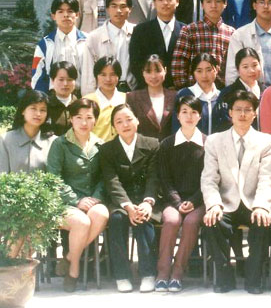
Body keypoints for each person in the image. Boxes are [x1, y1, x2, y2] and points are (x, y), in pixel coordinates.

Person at [202, 90, 271, 294]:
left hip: (254, 202)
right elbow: (209, 178)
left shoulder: (268, 142)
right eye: (238, 110)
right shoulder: (214, 141)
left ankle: (254, 280)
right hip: (226, 202)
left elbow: (268, 178)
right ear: (230, 113)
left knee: (263, 221)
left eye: (247, 110)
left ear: (255, 114)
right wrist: (214, 204)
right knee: (212, 221)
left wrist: (262, 206)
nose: (242, 114)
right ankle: (224, 278)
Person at [45, 98, 108, 293]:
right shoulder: (60, 143)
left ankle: (69, 257)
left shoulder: (101, 145)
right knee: (82, 222)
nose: (83, 122)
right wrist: (76, 200)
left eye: (89, 117)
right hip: (65, 201)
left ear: (95, 120)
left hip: (92, 200)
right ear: (71, 119)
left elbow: (105, 178)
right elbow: (53, 178)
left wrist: (95, 198)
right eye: (78, 117)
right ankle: (74, 271)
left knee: (101, 214)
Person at [100, 104, 160, 293]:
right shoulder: (107, 149)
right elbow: (112, 181)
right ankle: (122, 275)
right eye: (119, 121)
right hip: (120, 202)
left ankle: (148, 274)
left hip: (145, 199)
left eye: (129, 119)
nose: (125, 124)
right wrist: (127, 206)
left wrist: (147, 202)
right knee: (117, 219)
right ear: (113, 127)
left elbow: (154, 177)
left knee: (144, 217)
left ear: (137, 121)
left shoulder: (152, 144)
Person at [155, 94, 206, 293]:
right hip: (172, 200)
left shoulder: (208, 144)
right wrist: (177, 202)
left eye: (194, 112)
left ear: (200, 116)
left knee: (191, 222)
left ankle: (177, 272)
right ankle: (162, 273)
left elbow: (210, 179)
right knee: (171, 220)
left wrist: (193, 201)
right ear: (177, 116)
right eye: (184, 111)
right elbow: (164, 178)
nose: (189, 116)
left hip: (199, 200)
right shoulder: (166, 144)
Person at [171, 0, 234, 89]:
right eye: (208, 1)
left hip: (222, 91)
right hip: (193, 91)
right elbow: (178, 65)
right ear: (202, 4)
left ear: (225, 4)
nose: (213, 5)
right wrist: (186, 90)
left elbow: (234, 67)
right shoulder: (189, 30)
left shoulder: (231, 33)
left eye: (218, 1)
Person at [224, 0, 271, 87]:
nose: (266, 6)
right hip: (248, 94)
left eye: (270, 2)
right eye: (261, 2)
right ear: (254, 5)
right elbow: (232, 74)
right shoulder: (239, 35)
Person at [128, 0, 184, 89]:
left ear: (177, 2)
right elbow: (136, 64)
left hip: (178, 90)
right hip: (148, 89)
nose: (165, 3)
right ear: (154, 3)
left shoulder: (186, 30)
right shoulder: (141, 31)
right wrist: (153, 85)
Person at [80, 0, 136, 94]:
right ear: (107, 9)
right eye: (114, 6)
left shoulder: (137, 33)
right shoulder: (94, 37)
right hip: (103, 92)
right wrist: (90, 97)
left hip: (132, 91)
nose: (118, 10)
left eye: (123, 6)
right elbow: (88, 73)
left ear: (130, 9)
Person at [32, 0, 87, 93]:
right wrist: (42, 98)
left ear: (77, 14)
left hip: (81, 96)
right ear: (53, 16)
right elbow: (37, 75)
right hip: (53, 97)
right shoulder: (44, 44)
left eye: (70, 11)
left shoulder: (88, 41)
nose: (66, 15)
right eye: (60, 11)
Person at [0, 90, 53, 173]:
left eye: (43, 110)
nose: (38, 114)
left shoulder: (53, 142)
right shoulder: (5, 140)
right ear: (23, 110)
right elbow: (2, 175)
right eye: (33, 108)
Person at [126, 55, 177, 139]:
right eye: (148, 71)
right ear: (143, 73)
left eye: (158, 71)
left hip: (171, 146)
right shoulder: (133, 97)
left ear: (165, 70)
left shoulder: (175, 96)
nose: (153, 76)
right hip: (144, 146)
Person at [214, 48, 263, 133]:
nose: (251, 70)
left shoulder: (266, 91)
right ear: (238, 69)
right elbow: (224, 123)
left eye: (255, 65)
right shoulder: (228, 93)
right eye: (245, 67)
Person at [173, 53, 221, 137]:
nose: (204, 75)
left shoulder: (222, 96)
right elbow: (176, 129)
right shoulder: (184, 94)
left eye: (209, 70)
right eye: (199, 71)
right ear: (193, 73)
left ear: (216, 69)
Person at [83, 56, 127, 142]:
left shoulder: (127, 98)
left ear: (119, 76)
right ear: (96, 76)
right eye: (103, 75)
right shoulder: (87, 101)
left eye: (113, 74)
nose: (108, 79)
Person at [44, 62, 79, 138]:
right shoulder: (45, 105)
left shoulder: (79, 105)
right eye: (61, 79)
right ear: (52, 80)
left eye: (70, 79)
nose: (65, 84)